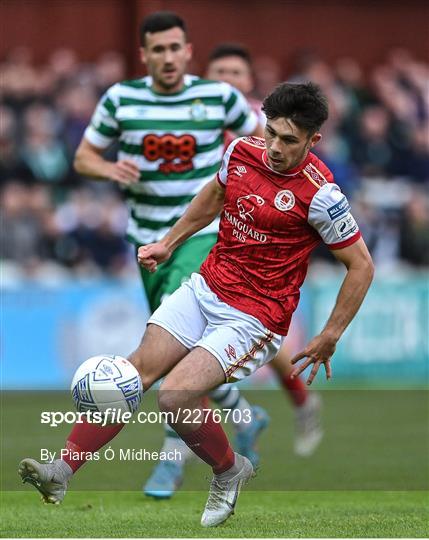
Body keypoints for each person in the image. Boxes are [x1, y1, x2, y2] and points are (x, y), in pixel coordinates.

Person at [19, 82, 374, 527]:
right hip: (206, 287)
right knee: (131, 376)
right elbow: (213, 196)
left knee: (176, 395)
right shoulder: (242, 152)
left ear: (312, 140)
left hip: (254, 317)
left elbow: (361, 266)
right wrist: (169, 242)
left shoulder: (322, 195)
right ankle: (61, 472)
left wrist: (330, 334)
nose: (275, 147)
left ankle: (229, 472)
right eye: (271, 133)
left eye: (289, 140)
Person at [73, 11, 267, 497]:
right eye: (156, 50)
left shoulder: (218, 97)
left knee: (160, 363)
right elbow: (83, 157)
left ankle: (168, 463)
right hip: (146, 241)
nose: (166, 57)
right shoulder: (121, 99)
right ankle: (244, 412)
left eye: (174, 48)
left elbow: (264, 143)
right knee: (174, 350)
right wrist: (109, 170)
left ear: (188, 50)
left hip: (201, 237)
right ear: (144, 55)